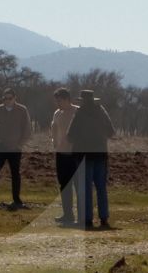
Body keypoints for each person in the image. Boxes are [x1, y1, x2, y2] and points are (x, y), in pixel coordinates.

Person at [66, 88, 116, 228]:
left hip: (84, 155)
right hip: (100, 154)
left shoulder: (79, 113)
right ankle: (104, 218)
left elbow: (70, 135)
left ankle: (87, 219)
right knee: (101, 187)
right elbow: (111, 132)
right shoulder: (102, 112)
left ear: (82, 101)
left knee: (85, 188)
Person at [0, 87, 32, 207]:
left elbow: (27, 129)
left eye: (10, 98)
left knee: (15, 173)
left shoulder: (22, 110)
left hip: (15, 147)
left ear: (15, 98)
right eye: (5, 98)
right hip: (1, 146)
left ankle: (16, 199)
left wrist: (20, 144)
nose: (7, 100)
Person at [49, 87, 82, 227]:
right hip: (61, 154)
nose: (58, 103)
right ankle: (67, 214)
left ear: (67, 99)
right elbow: (54, 128)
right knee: (64, 185)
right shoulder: (57, 113)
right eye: (56, 101)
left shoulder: (78, 111)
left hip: (75, 154)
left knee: (79, 185)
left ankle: (82, 216)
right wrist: (54, 142)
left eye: (60, 100)